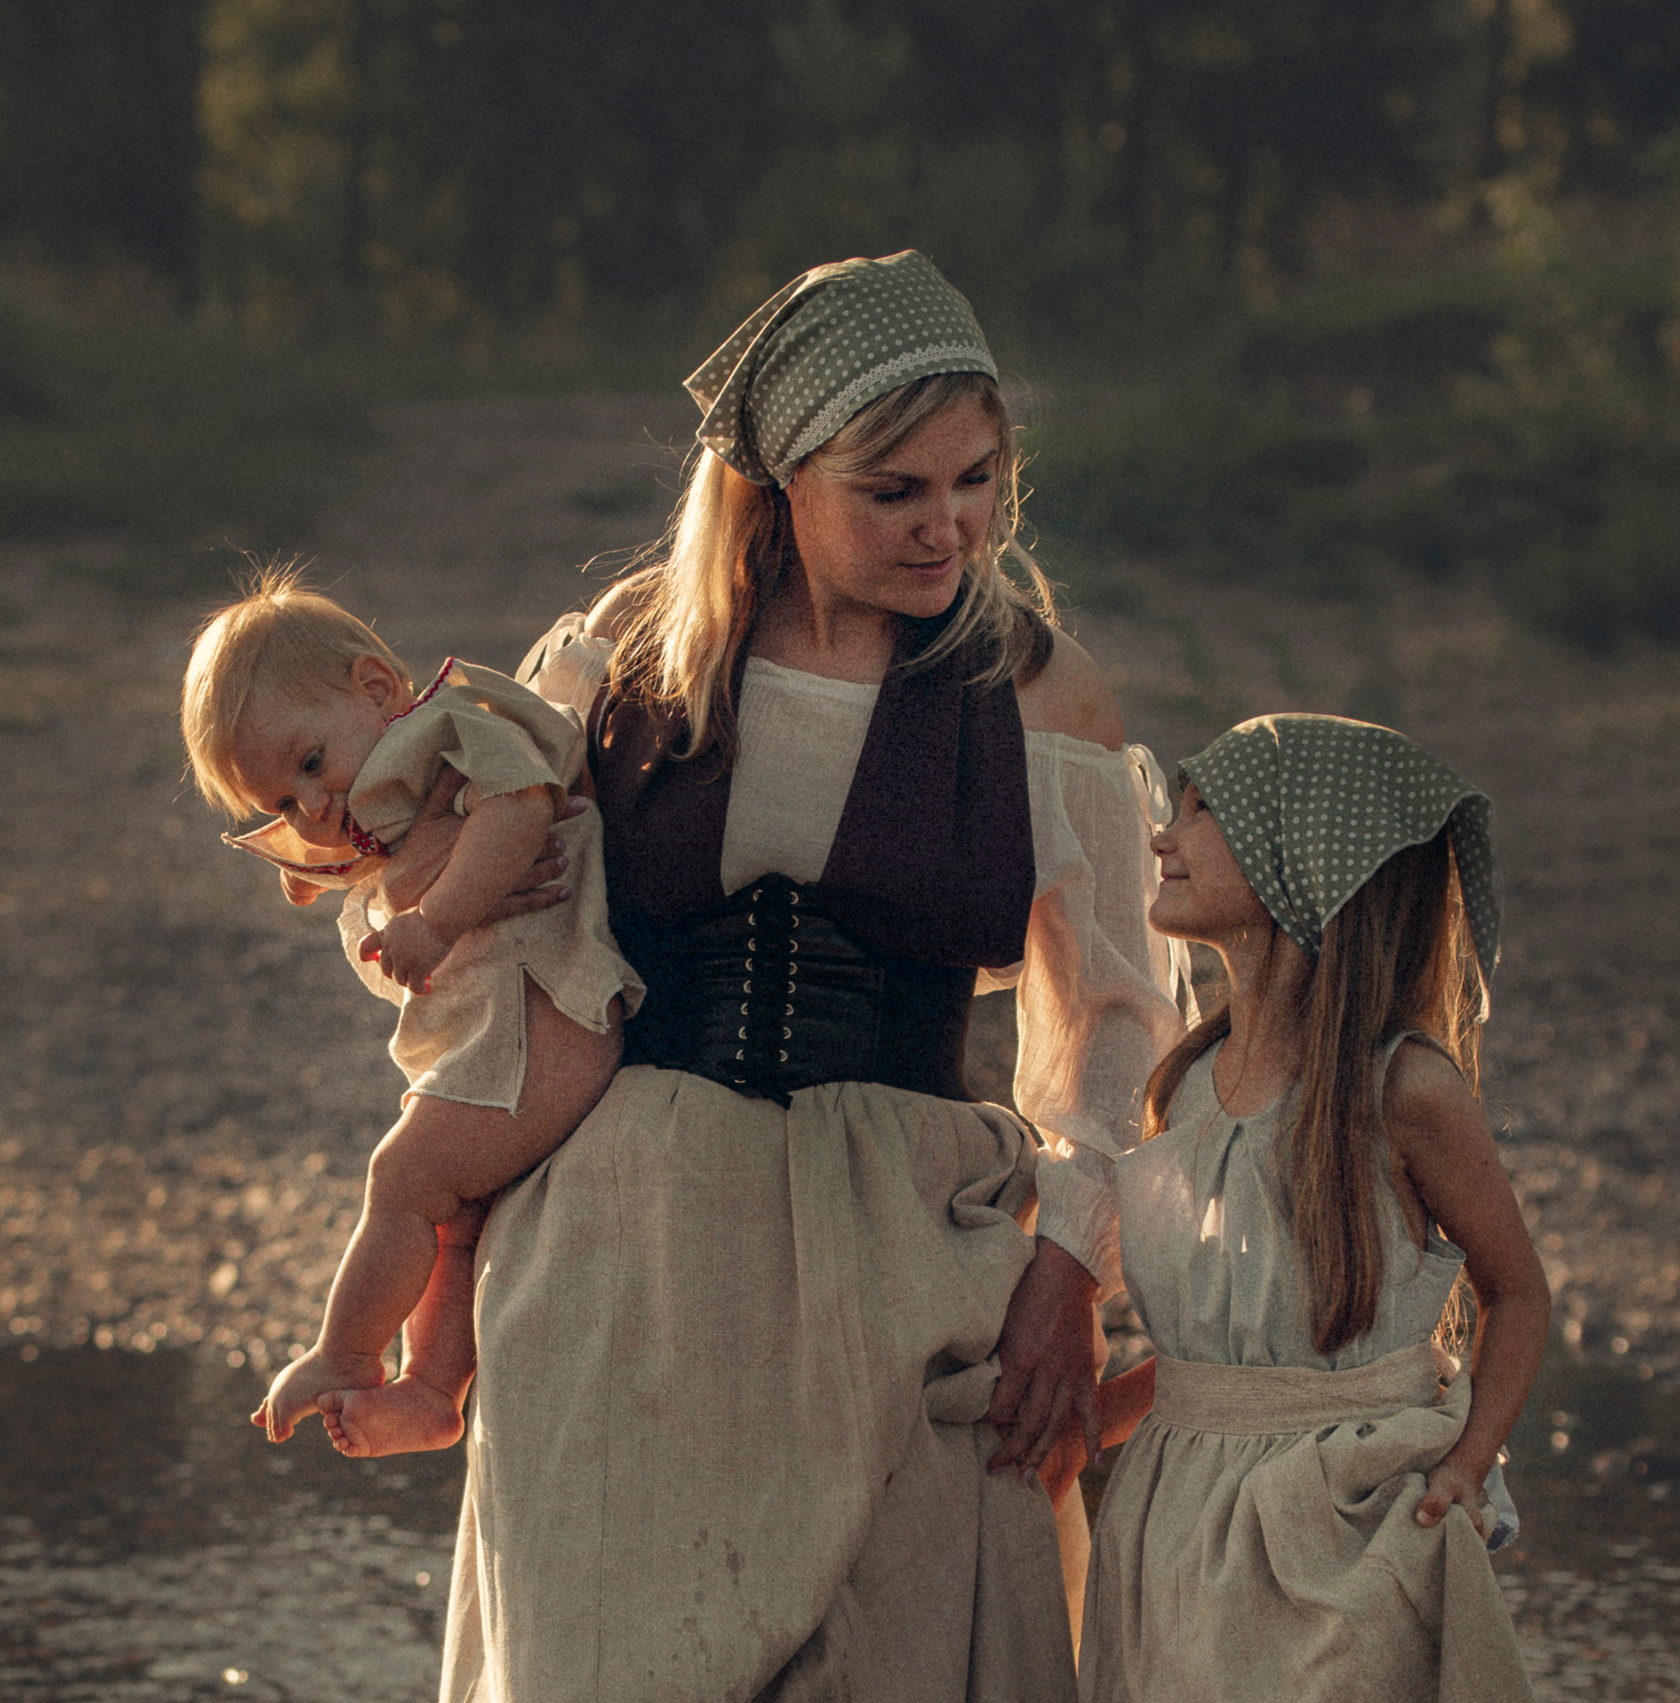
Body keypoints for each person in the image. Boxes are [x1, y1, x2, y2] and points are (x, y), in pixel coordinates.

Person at [425, 249, 1180, 1701]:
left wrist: (1071, 1267)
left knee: (904, 1634)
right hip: (625, 1240)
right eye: (893, 489)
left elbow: (1114, 1021)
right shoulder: (627, 663)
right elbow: (508, 964)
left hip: (906, 1226)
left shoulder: (1034, 686)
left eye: (974, 479)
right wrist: (440, 1264)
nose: (947, 524)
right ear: (776, 484)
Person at [1079, 714, 1548, 1703]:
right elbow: (1232, 1336)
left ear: (1305, 860)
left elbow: (1517, 1289)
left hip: (1338, 1511)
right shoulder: (1191, 1080)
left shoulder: (1402, 1088)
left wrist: (1466, 1463)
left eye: (1205, 811)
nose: (1165, 833)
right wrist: (1088, 1421)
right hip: (1177, 1508)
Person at [178, 569, 642, 1457]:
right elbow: (351, 881)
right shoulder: (376, 792)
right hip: (504, 1040)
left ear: (378, 690)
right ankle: (433, 1390)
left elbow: (522, 807)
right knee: (453, 1219)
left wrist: (436, 916)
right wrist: (324, 856)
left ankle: (344, 1353)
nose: (311, 804)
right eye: (281, 800)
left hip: (543, 1027)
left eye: (311, 765)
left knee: (401, 1180)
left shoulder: (456, 726)